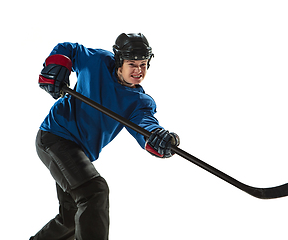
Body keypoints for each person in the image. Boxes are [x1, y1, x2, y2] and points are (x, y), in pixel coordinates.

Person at [30, 33, 180, 240]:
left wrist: (158, 139)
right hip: (56, 136)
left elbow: (145, 126)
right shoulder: (97, 61)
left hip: (78, 151)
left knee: (72, 216)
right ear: (119, 61)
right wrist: (58, 67)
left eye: (143, 64)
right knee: (94, 192)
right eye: (132, 64)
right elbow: (69, 49)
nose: (139, 70)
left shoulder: (138, 101)